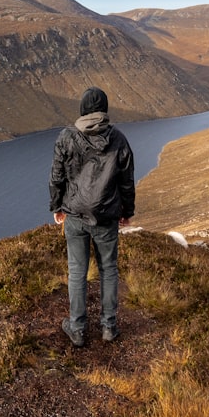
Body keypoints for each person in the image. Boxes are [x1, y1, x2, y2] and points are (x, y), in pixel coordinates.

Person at [49, 87, 135, 347]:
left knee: (77, 270)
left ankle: (77, 328)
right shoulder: (118, 139)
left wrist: (57, 207)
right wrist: (127, 212)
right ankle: (108, 327)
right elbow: (126, 182)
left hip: (75, 215)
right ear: (104, 110)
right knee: (108, 270)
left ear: (83, 110)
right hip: (107, 217)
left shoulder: (66, 137)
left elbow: (56, 176)